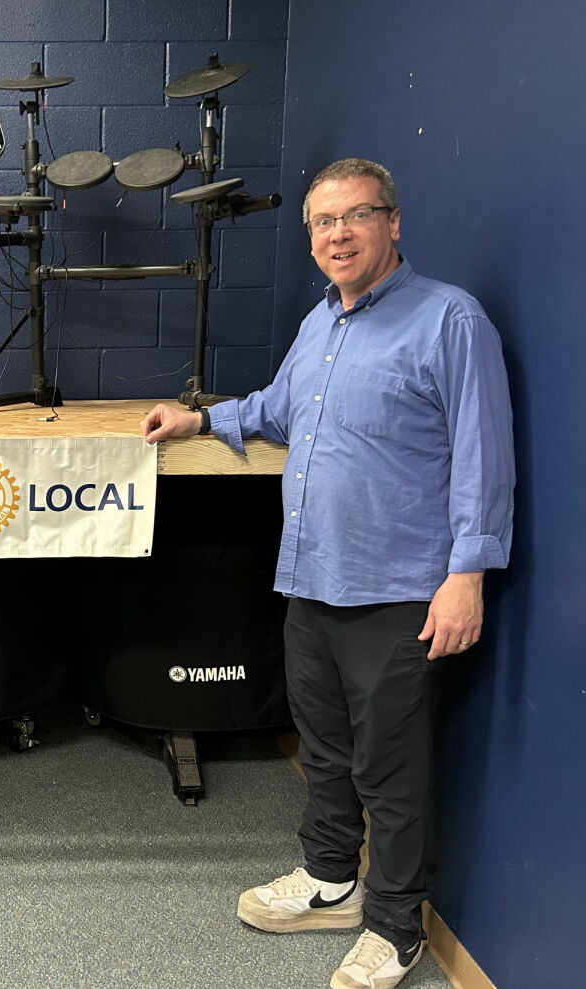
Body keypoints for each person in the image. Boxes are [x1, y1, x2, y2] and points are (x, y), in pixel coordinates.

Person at [142, 158, 514, 989]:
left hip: (400, 592)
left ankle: (394, 927)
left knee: (392, 765)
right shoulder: (321, 326)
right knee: (327, 748)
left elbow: (484, 458)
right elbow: (277, 407)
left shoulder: (451, 320)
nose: (336, 234)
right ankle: (330, 879)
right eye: (322, 222)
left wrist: (469, 574)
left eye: (355, 216)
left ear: (392, 221)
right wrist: (198, 416)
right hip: (310, 579)